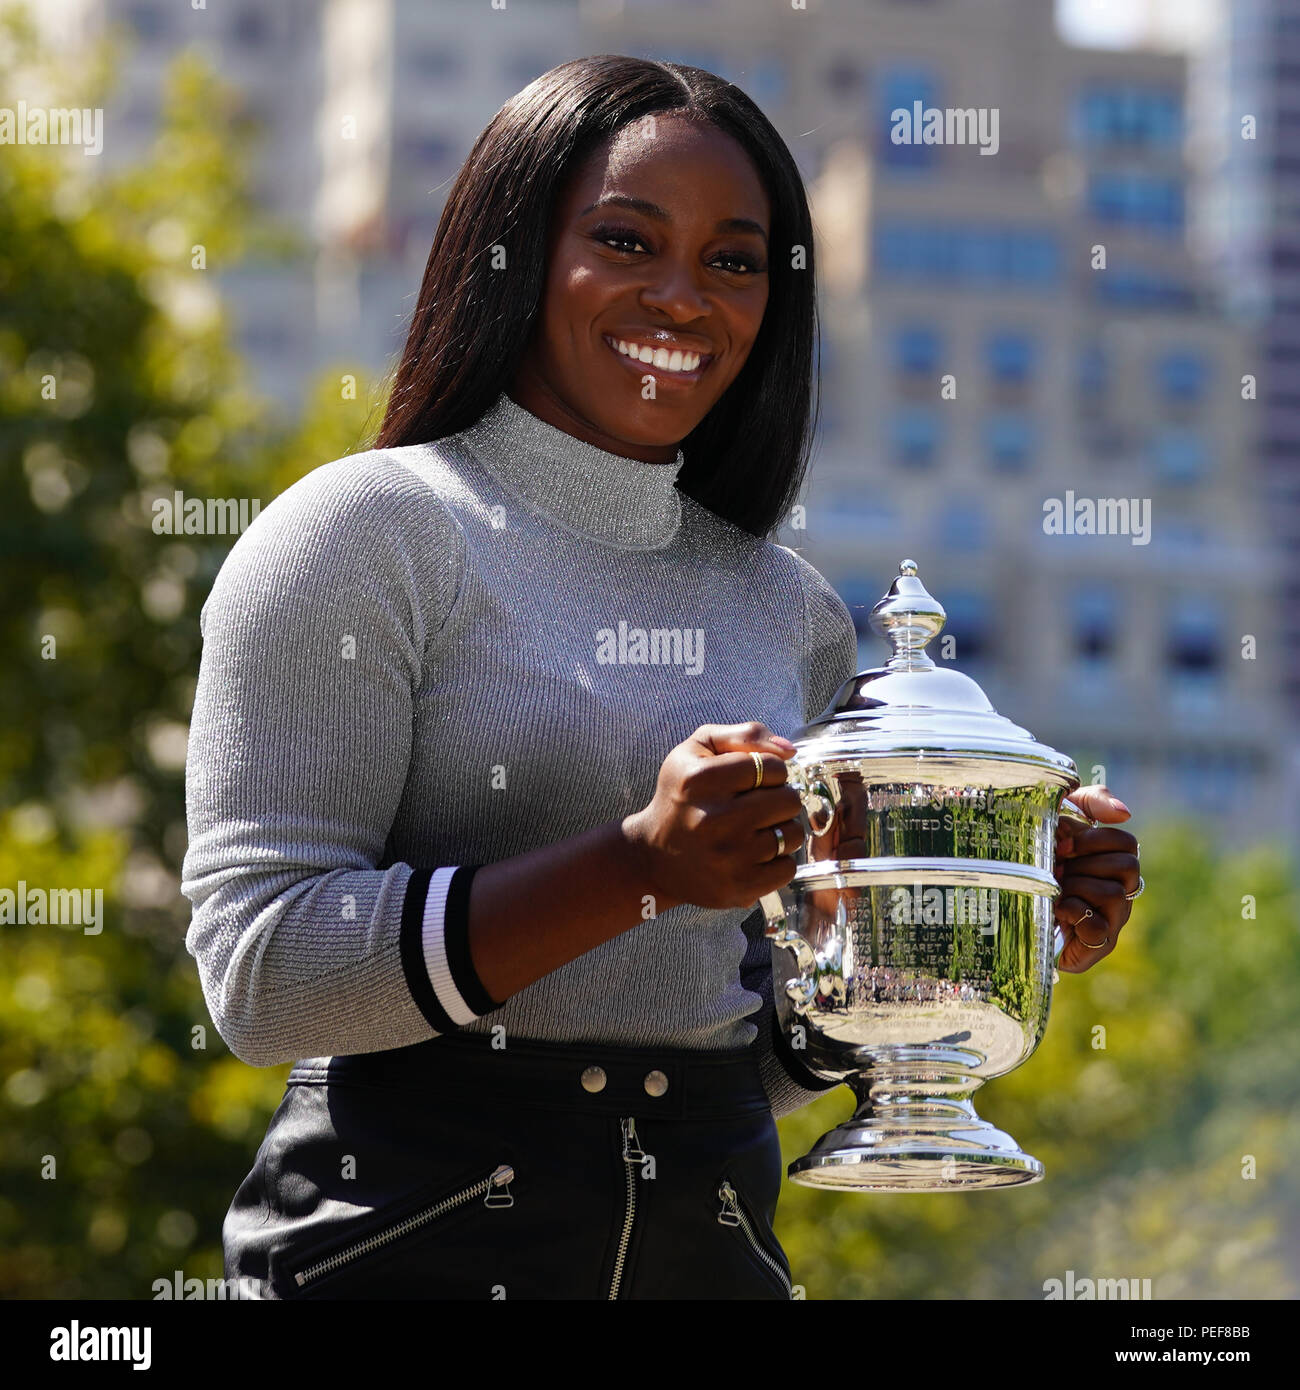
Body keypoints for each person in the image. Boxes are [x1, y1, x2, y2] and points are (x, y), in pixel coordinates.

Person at [180, 54, 1140, 1300]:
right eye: (628, 241)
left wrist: (982, 914)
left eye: (734, 260)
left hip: (711, 1248)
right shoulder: (361, 536)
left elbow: (748, 1052)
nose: (684, 298)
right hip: (405, 1248)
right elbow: (261, 979)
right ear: (512, 255)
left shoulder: (786, 608)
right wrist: (632, 869)